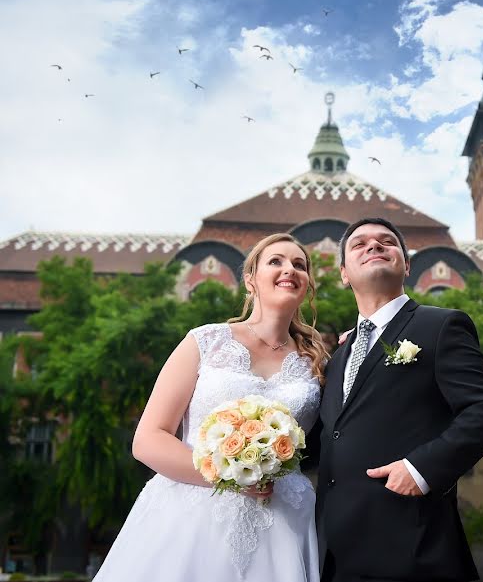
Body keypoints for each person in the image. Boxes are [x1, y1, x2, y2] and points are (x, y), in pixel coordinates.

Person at [93, 233, 329, 581]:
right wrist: (230, 475)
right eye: (276, 261)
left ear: (307, 284)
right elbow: (148, 439)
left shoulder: (318, 361)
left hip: (282, 519)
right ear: (250, 280)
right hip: (190, 516)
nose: (289, 269)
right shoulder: (205, 341)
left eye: (300, 264)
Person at [316, 218, 483, 582]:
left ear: (407, 265)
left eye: (387, 241)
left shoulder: (442, 325)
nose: (374, 246)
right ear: (343, 273)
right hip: (336, 556)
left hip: (413, 549)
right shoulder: (339, 355)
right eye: (359, 244)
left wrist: (420, 469)